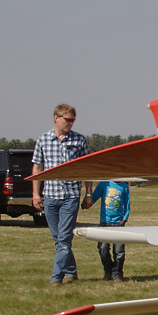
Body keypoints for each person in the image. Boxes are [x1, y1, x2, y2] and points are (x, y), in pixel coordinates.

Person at [32, 104, 92, 285]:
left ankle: (56, 277)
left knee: (65, 237)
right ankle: (71, 272)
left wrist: (88, 194)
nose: (71, 123)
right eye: (68, 119)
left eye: (73, 120)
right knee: (58, 239)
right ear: (56, 118)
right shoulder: (43, 140)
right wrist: (36, 194)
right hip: (50, 195)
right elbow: (37, 167)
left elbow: (86, 169)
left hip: (71, 195)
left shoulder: (79, 140)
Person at [91, 180, 130, 281]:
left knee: (119, 251)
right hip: (104, 222)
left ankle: (117, 273)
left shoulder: (124, 186)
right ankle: (108, 270)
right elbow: (93, 197)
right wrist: (86, 203)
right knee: (103, 248)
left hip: (118, 223)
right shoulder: (104, 184)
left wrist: (124, 219)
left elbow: (127, 204)